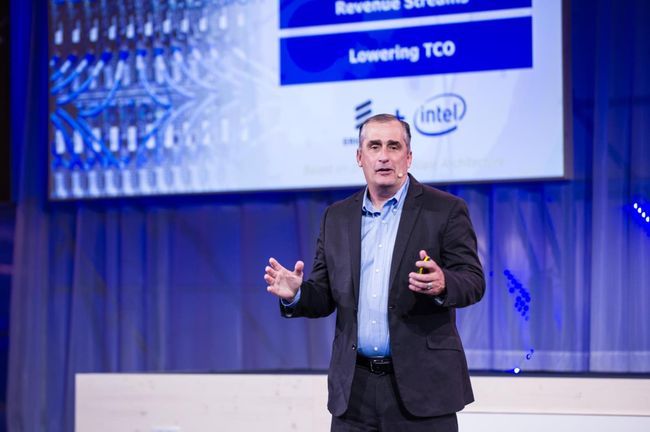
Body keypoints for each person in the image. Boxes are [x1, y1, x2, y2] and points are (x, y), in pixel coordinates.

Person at [264, 113, 485, 431]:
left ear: (408, 157)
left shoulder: (445, 210)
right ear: (359, 157)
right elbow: (324, 296)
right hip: (354, 394)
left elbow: (473, 280)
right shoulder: (336, 217)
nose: (384, 156)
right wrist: (297, 294)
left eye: (394, 146)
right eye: (374, 146)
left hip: (423, 390)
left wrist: (443, 283)